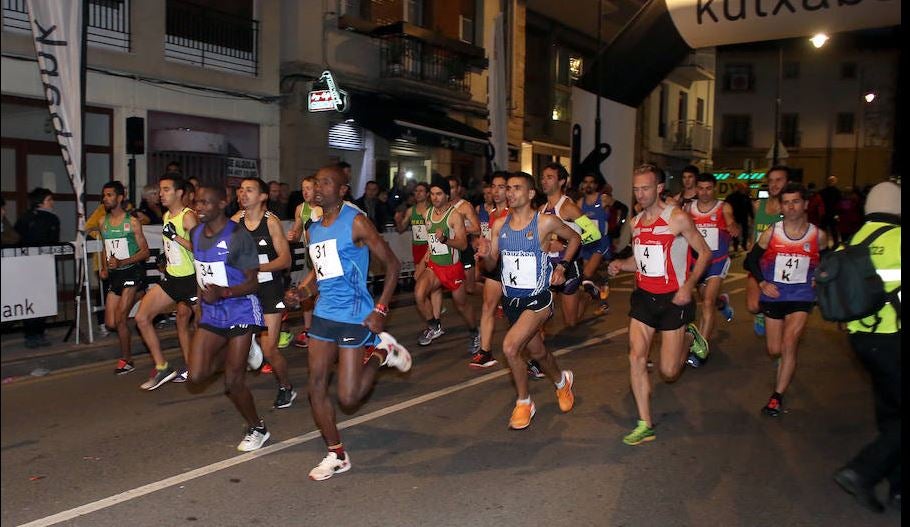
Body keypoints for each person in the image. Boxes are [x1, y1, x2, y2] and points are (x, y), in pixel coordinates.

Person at [299, 164, 411, 481]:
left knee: (348, 398)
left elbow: (391, 263)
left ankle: (381, 353)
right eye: (315, 182)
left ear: (342, 189)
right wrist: (304, 290)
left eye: (326, 182)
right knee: (315, 387)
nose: (318, 188)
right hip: (323, 315)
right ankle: (336, 453)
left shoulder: (356, 222)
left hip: (354, 315)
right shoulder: (314, 228)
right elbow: (322, 273)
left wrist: (381, 308)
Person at [607, 164, 712, 445]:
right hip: (643, 298)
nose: (640, 194)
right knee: (636, 356)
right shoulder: (636, 222)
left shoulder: (676, 218)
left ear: (659, 189)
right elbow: (640, 263)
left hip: (673, 300)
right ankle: (645, 423)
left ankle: (690, 336)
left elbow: (704, 253)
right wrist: (621, 264)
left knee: (668, 372)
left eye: (645, 188)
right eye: (636, 188)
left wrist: (688, 287)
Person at [475, 172, 579, 429]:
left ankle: (524, 403)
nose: (510, 193)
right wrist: (486, 254)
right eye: (508, 188)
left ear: (531, 194)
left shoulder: (545, 223)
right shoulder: (500, 226)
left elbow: (575, 237)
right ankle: (561, 382)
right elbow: (492, 265)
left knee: (510, 347)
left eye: (517, 188)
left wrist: (563, 266)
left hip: (538, 299)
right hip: (512, 302)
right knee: (538, 352)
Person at [833, 181, 901, 513]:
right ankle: (863, 471)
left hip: (861, 341)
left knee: (892, 412)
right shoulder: (900, 239)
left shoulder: (857, 239)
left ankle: (899, 488)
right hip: (893, 338)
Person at [187, 185, 270, 452]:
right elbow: (202, 273)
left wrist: (223, 292)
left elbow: (253, 283)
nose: (199, 207)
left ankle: (257, 428)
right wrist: (199, 302)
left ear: (222, 203)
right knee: (196, 376)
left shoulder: (238, 237)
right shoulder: (196, 233)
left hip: (240, 308)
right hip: (212, 310)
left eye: (206, 202)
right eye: (197, 202)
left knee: (233, 381)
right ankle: (240, 352)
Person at [744, 182, 826, 418]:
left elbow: (831, 262)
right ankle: (783, 365)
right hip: (774, 296)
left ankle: (776, 397)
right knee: (774, 349)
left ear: (805, 204)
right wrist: (762, 283)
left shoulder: (817, 235)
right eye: (786, 202)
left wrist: (819, 278)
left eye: (796, 202)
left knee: (789, 342)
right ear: (781, 206)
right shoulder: (772, 233)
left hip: (801, 296)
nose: (791, 207)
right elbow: (750, 261)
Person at [231, 177, 296, 409]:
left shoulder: (271, 222)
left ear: (263, 196)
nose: (243, 194)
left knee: (270, 348)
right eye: (240, 190)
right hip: (245, 290)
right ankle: (250, 344)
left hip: (269, 289)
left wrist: (258, 267)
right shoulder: (234, 221)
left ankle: (286, 387)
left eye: (249, 190)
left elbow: (286, 259)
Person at [134, 175, 198, 389]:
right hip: (172, 279)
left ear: (179, 193)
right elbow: (172, 245)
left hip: (192, 280)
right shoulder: (167, 215)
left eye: (166, 189)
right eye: (161, 190)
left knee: (209, 326)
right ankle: (163, 367)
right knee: (142, 317)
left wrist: (176, 238)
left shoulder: (188, 217)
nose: (161, 194)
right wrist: (166, 255)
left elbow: (199, 249)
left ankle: (240, 352)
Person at [414, 179, 479, 352]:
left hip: (452, 268)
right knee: (419, 293)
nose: (435, 198)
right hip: (434, 266)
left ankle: (474, 332)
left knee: (461, 304)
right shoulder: (427, 214)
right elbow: (431, 243)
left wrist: (445, 239)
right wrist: (422, 263)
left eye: (439, 194)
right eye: (432, 194)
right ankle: (434, 326)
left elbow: (463, 245)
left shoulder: (454, 215)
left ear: (447, 195)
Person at [684, 173, 740, 366]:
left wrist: (732, 226)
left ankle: (701, 350)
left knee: (707, 302)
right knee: (706, 297)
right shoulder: (688, 208)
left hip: (717, 260)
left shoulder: (723, 207)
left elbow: (731, 221)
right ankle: (722, 303)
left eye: (709, 188)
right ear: (696, 188)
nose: (705, 192)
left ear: (714, 188)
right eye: (701, 188)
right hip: (697, 262)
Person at [96, 181, 150, 375]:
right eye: (104, 195)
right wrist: (104, 267)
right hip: (116, 276)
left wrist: (122, 261)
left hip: (132, 272)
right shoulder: (103, 222)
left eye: (110, 195)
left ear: (119, 198)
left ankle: (127, 360)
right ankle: (141, 293)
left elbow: (145, 252)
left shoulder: (132, 222)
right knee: (110, 322)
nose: (105, 198)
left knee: (120, 319)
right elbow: (105, 248)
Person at [538, 163, 593, 330]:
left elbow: (593, 233)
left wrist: (565, 244)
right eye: (543, 177)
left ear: (561, 181)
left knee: (570, 322)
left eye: (549, 177)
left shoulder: (568, 207)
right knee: (540, 314)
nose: (544, 181)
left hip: (569, 265)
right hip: (548, 267)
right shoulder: (542, 209)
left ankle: (586, 296)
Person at [470, 172, 510, 369]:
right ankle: (485, 352)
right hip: (495, 265)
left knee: (520, 313)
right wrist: (482, 248)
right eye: (493, 186)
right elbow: (486, 240)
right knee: (488, 306)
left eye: (501, 187)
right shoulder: (491, 214)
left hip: (513, 266)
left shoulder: (513, 213)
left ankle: (535, 355)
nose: (495, 191)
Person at [14, 187, 60, 347]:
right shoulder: (49, 219)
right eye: (49, 200)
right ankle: (36, 333)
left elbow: (17, 239)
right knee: (39, 298)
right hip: (41, 265)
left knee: (34, 299)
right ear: (40, 202)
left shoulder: (25, 218)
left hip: (29, 265)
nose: (52, 203)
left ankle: (34, 333)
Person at [747, 166, 790, 337]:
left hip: (780, 266)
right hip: (758, 264)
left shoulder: (791, 209)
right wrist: (750, 249)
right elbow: (753, 231)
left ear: (787, 182)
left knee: (784, 311)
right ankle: (760, 314)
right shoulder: (758, 205)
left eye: (779, 180)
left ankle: (782, 346)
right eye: (771, 180)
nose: (774, 184)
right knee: (753, 306)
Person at [287, 176, 323, 349]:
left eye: (308, 188)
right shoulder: (300, 209)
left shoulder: (325, 207)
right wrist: (292, 236)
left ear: (317, 189)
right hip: (311, 256)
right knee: (307, 293)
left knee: (317, 292)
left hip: (326, 255)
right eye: (303, 188)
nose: (305, 191)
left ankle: (323, 331)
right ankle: (308, 330)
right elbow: (296, 230)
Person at [577, 173, 613, 314]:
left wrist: (616, 226)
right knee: (591, 276)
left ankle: (601, 287)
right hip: (587, 242)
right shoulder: (580, 203)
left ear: (596, 185)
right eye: (585, 182)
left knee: (587, 273)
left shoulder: (603, 199)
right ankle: (604, 299)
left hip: (600, 242)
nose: (588, 185)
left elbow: (621, 208)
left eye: (591, 182)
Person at [447, 175, 482, 296]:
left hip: (464, 250)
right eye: (447, 187)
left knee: (470, 288)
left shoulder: (465, 206)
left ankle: (496, 293)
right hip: (449, 249)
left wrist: (460, 229)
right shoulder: (442, 207)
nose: (449, 190)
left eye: (452, 187)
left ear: (458, 189)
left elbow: (477, 229)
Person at [725, 181, 754, 253]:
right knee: (742, 232)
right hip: (738, 216)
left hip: (737, 216)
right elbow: (749, 207)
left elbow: (749, 207)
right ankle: (740, 245)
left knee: (740, 232)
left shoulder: (733, 197)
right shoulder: (744, 197)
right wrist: (752, 216)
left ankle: (737, 246)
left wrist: (751, 216)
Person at [819, 175, 842, 248]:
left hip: (825, 213)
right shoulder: (838, 192)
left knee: (823, 230)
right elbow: (839, 203)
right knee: (834, 230)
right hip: (833, 213)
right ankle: (835, 245)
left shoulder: (822, 192)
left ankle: (823, 245)